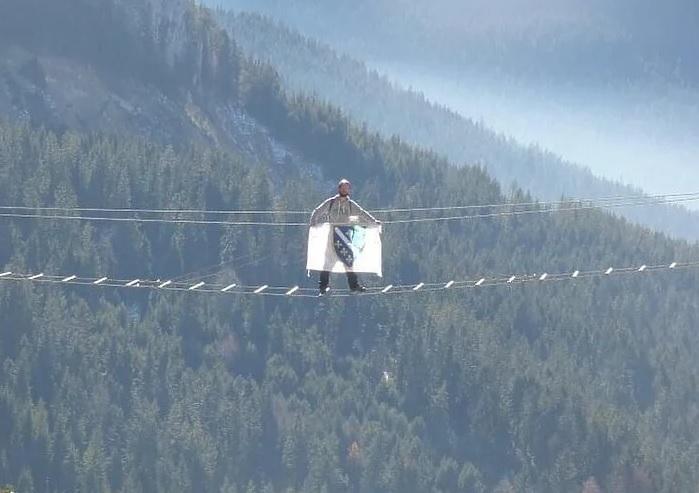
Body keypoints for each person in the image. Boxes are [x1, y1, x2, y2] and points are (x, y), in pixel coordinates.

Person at [310, 179, 380, 295]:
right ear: (339, 189)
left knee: (349, 261)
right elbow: (318, 211)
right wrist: (313, 221)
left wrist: (373, 221)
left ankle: (354, 286)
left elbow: (362, 213)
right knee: (328, 262)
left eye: (346, 188)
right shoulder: (331, 202)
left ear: (349, 190)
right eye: (342, 188)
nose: (344, 190)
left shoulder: (351, 204)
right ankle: (323, 286)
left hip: (345, 236)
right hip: (332, 235)